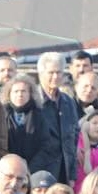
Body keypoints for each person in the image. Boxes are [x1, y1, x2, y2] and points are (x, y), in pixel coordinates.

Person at [34, 52, 80, 184]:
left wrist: (72, 174)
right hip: (38, 171)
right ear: (41, 73)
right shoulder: (33, 101)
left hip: (63, 172)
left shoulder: (68, 102)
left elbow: (73, 139)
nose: (55, 76)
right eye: (51, 72)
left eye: (59, 72)